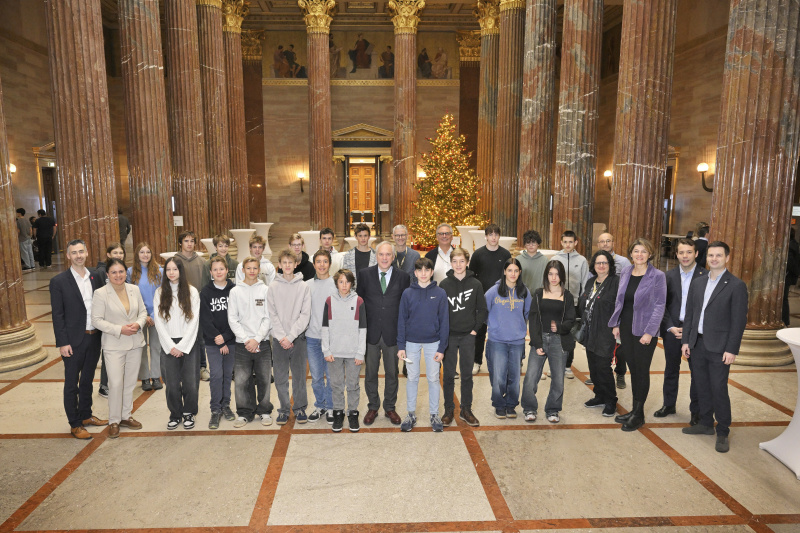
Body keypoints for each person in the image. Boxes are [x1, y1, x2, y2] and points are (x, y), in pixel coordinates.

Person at [681, 241, 747, 453]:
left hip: (720, 348)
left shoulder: (736, 285)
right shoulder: (698, 282)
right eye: (711, 256)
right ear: (706, 258)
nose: (714, 259)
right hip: (697, 343)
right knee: (701, 385)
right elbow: (690, 315)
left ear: (727, 258)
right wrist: (686, 341)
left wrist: (732, 349)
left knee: (718, 388)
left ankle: (724, 430)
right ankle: (706, 423)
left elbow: (738, 321)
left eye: (719, 255)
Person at [50, 240, 107, 439]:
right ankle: (74, 423)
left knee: (88, 380)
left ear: (87, 252)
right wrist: (63, 342)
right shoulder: (59, 281)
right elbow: (58, 315)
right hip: (73, 340)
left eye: (81, 251)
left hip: (94, 337)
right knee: (72, 384)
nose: (78, 255)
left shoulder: (95, 276)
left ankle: (85, 415)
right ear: (68, 256)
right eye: (74, 253)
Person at [609, 238, 666, 432]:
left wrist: (650, 332)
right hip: (625, 327)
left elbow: (659, 306)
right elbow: (620, 300)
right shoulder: (625, 271)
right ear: (631, 254)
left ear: (650, 254)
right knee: (633, 368)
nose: (639, 255)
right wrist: (616, 323)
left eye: (643, 251)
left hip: (644, 331)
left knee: (641, 371)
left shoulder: (657, 276)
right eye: (636, 251)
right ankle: (634, 410)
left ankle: (639, 414)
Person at [356, 241, 411, 426]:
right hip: (370, 334)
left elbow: (405, 307)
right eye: (381, 254)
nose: (385, 258)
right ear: (376, 256)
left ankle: (390, 407)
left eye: (388, 254)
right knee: (370, 373)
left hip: (392, 334)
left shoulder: (403, 277)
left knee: (392, 373)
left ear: (393, 257)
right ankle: (373, 407)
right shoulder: (364, 274)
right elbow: (360, 304)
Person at [91, 258, 147, 438]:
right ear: (107, 274)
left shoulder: (134, 289)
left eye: (121, 271)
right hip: (114, 345)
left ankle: (125, 415)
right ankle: (114, 420)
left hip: (135, 343)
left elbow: (143, 312)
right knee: (115, 383)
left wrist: (138, 324)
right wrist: (119, 329)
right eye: (113, 272)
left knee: (130, 382)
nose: (118, 275)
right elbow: (96, 320)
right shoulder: (101, 293)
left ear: (126, 273)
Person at [397, 257, 449, 432]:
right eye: (420, 270)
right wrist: (401, 346)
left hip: (433, 342)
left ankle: (434, 414)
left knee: (433, 378)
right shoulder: (407, 293)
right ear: (415, 273)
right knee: (412, 378)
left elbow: (444, 322)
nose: (424, 274)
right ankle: (411, 413)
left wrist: (442, 348)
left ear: (432, 272)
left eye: (427, 270)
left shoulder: (440, 293)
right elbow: (402, 320)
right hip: (411, 342)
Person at [658, 238, 706, 423]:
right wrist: (670, 326)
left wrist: (690, 328)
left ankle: (696, 411)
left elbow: (706, 308)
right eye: (681, 252)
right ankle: (668, 405)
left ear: (696, 254)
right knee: (671, 368)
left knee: (697, 372)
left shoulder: (705, 276)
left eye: (689, 252)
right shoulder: (667, 276)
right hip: (673, 329)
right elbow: (662, 305)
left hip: (695, 331)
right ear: (676, 254)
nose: (685, 256)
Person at [522, 261, 576, 423]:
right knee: (531, 377)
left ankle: (553, 409)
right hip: (540, 339)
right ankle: (529, 408)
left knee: (558, 379)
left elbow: (571, 319)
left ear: (562, 276)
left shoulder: (566, 296)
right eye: (550, 274)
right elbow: (533, 319)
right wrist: (537, 343)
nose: (554, 278)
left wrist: (559, 327)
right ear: (546, 275)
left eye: (557, 274)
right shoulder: (538, 294)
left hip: (559, 341)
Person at [439, 247, 487, 427]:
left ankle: (466, 409)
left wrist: (474, 329)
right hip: (450, 336)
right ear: (450, 263)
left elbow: (482, 309)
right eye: (454, 261)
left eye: (461, 261)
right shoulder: (444, 285)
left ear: (467, 262)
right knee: (449, 375)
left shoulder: (476, 284)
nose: (458, 265)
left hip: (468, 335)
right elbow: (440, 312)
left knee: (467, 375)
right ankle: (449, 410)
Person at [153, 258, 201, 431]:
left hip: (188, 343)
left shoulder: (192, 292)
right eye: (168, 270)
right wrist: (171, 346)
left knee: (190, 382)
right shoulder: (159, 293)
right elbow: (158, 322)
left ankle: (189, 413)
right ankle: (175, 414)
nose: (171, 272)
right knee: (171, 383)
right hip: (168, 345)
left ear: (181, 271)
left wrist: (182, 346)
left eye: (175, 269)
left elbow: (194, 321)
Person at [267, 249, 312, 425]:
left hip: (298, 339)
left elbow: (305, 315)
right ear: (279, 265)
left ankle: (300, 408)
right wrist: (282, 337)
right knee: (280, 377)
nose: (287, 266)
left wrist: (291, 336)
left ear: (296, 265)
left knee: (300, 376)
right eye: (284, 263)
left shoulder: (303, 287)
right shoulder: (272, 287)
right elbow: (272, 314)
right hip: (279, 341)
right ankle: (284, 409)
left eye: (290, 263)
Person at [229, 256, 274, 428]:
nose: (252, 271)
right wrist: (247, 340)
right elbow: (232, 319)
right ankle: (244, 413)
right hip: (242, 344)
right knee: (241, 380)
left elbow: (268, 318)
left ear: (259, 270)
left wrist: (256, 339)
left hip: (261, 343)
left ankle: (264, 411)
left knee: (264, 379)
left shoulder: (265, 290)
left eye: (255, 268)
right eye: (249, 268)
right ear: (243, 270)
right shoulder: (235, 292)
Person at [485, 258, 532, 419]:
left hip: (517, 341)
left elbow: (528, 313)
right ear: (504, 271)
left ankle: (511, 404)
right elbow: (483, 311)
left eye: (516, 271)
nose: (513, 274)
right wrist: (494, 325)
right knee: (498, 375)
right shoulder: (493, 291)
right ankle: (499, 404)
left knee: (514, 375)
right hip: (497, 340)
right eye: (510, 270)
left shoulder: (524, 291)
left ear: (520, 273)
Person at [322, 268, 367, 432]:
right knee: (336, 384)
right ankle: (338, 412)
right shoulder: (329, 301)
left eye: (347, 281)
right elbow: (325, 327)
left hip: (353, 353)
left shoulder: (359, 301)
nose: (344, 285)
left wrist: (360, 352)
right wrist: (326, 350)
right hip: (334, 352)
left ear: (352, 284)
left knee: (353, 384)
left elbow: (363, 328)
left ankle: (353, 413)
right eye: (341, 281)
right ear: (336, 283)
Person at [576, 251, 620, 417]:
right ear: (593, 266)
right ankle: (599, 395)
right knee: (593, 366)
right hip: (590, 330)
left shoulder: (615, 282)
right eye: (598, 263)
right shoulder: (590, 282)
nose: (601, 266)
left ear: (610, 265)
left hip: (605, 331)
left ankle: (610, 400)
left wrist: (618, 324)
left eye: (605, 263)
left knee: (603, 367)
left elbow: (621, 306)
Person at [469, 224, 511, 376]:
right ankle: (476, 361)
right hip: (481, 300)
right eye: (490, 234)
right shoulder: (478, 254)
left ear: (499, 236)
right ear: (486, 236)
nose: (493, 237)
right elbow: (471, 277)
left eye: (496, 234)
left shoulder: (506, 254)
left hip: (500, 300)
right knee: (479, 332)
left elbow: (509, 276)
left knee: (499, 332)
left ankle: (500, 361)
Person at [201, 256, 237, 429]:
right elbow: (205, 320)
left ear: (226, 270)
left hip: (230, 340)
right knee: (216, 375)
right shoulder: (205, 292)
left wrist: (226, 336)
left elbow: (238, 316)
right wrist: (218, 338)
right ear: (211, 272)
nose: (218, 272)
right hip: (213, 342)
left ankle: (226, 406)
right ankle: (215, 410)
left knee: (227, 375)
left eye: (221, 269)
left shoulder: (234, 290)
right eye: (215, 269)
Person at [306, 250, 338, 423]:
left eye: (325, 261)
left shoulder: (336, 284)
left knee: (331, 376)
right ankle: (320, 405)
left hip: (331, 339)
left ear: (330, 264)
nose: (322, 265)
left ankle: (331, 407)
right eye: (318, 261)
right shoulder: (307, 285)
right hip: (312, 338)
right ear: (314, 264)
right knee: (317, 376)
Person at [596, 234, 632, 389]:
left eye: (608, 240)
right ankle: (601, 372)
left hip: (619, 307)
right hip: (602, 308)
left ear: (613, 242)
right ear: (598, 244)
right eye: (602, 241)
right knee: (601, 343)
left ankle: (621, 373)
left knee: (620, 344)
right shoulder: (596, 260)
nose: (605, 243)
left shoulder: (623, 262)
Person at [173, 230, 209, 381]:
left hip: (197, 305)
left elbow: (206, 283)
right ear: (180, 243)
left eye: (192, 241)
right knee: (181, 334)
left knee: (199, 337)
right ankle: (182, 366)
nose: (189, 244)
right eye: (186, 241)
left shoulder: (201, 262)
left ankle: (201, 367)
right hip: (179, 304)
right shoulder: (175, 261)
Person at [127, 243, 163, 392]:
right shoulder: (130, 272)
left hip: (156, 315)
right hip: (139, 316)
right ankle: (144, 377)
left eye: (148, 252)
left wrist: (153, 315)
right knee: (141, 348)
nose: (145, 255)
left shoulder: (159, 271)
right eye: (142, 252)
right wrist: (143, 316)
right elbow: (129, 295)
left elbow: (162, 294)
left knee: (156, 347)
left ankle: (155, 376)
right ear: (137, 254)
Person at [553, 230, 589, 379]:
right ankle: (554, 366)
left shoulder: (582, 260)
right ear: (561, 242)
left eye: (571, 242)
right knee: (554, 334)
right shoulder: (555, 259)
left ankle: (568, 366)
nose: (568, 245)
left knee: (569, 335)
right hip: (557, 302)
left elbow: (586, 283)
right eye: (565, 242)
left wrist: (582, 302)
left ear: (575, 243)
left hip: (574, 304)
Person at [783, 228, 799, 326]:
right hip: (789, 276)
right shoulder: (794, 244)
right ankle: (785, 320)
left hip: (787, 276)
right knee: (784, 299)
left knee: (783, 299)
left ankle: (784, 320)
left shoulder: (791, 246)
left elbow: (790, 263)